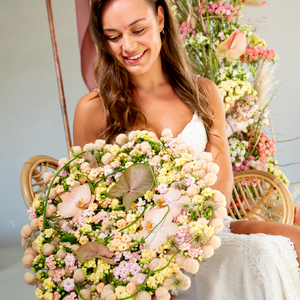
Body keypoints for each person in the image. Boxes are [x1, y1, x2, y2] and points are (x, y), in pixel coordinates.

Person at [73, 0, 300, 299]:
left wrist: (194, 230)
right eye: (113, 36)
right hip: (144, 250)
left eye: (137, 30)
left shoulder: (204, 92)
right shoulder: (93, 109)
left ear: (160, 17)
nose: (127, 46)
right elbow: (84, 199)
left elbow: (221, 176)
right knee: (263, 255)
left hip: (206, 228)